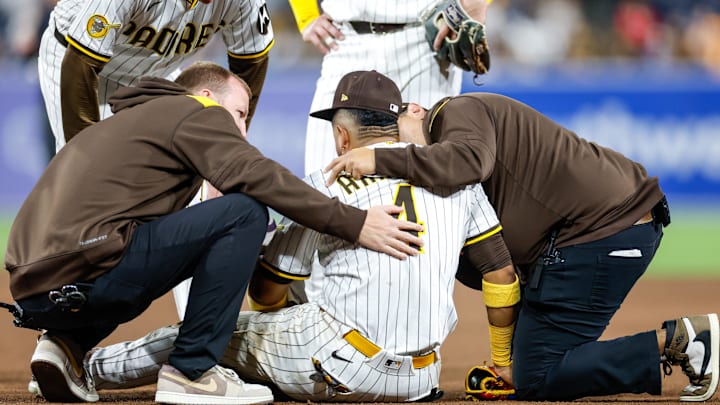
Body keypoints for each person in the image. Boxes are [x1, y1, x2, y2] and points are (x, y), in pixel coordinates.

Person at [42, 70, 519, 402]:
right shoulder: (457, 178)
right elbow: (500, 271)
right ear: (395, 122)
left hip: (336, 365)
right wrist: (502, 361)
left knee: (202, 338)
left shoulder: (328, 182)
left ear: (342, 137)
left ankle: (83, 366)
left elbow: (267, 293)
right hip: (423, 378)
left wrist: (289, 303)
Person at [323, 89, 719, 401]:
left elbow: (470, 161)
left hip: (606, 229)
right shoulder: (445, 176)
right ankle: (528, 362)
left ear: (416, 110)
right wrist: (505, 358)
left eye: (395, 137)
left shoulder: (454, 112)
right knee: (527, 363)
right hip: (587, 234)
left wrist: (380, 160)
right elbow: (494, 267)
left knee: (540, 375)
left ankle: (683, 340)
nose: (395, 148)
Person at [288, 0, 491, 176]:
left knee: (432, 179)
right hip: (345, 37)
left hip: (425, 42)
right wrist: (306, 15)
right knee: (324, 179)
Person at [39, 0, 274, 151]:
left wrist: (231, 141)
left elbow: (251, 62)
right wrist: (85, 158)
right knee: (88, 179)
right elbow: (80, 63)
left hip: (157, 71)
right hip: (79, 58)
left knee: (182, 165)